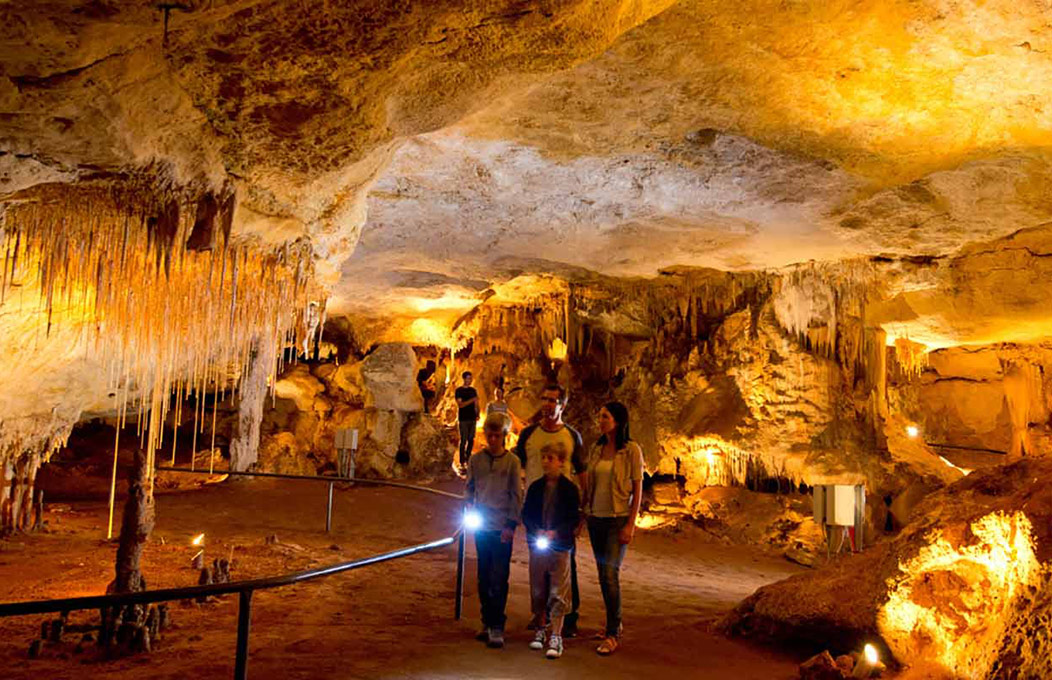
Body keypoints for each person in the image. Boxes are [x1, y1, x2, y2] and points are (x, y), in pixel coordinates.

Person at [515, 383, 585, 637]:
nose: (547, 404)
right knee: (538, 565)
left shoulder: (571, 436)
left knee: (566, 568)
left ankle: (568, 617)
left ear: (563, 405)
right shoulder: (529, 435)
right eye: (544, 398)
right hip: (536, 506)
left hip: (562, 510)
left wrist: (582, 512)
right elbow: (517, 466)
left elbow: (582, 470)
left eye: (553, 400)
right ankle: (540, 616)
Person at [582, 401, 644, 656]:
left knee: (610, 575)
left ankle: (612, 633)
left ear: (617, 421)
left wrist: (631, 522)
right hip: (596, 517)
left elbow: (637, 488)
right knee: (602, 574)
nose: (601, 420)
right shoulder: (597, 449)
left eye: (605, 416)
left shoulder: (631, 450)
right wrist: (582, 513)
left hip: (617, 518)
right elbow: (589, 484)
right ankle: (612, 623)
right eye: (600, 416)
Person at [465, 412, 521, 648]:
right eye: (490, 435)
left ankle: (497, 624)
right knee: (483, 576)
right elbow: (470, 488)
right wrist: (469, 507)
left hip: (501, 527)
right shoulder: (476, 461)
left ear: (504, 437)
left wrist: (510, 525)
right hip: (482, 525)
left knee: (499, 576)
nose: (493, 440)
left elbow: (516, 495)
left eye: (497, 436)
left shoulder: (512, 463)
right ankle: (486, 621)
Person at [522, 443, 581, 659]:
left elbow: (574, 517)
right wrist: (536, 530)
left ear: (561, 461)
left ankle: (556, 634)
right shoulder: (536, 487)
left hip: (560, 545)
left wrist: (557, 532)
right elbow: (526, 513)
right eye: (544, 457)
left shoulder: (569, 489)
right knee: (538, 588)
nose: (546, 462)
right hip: (538, 543)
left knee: (558, 590)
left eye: (550, 458)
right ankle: (540, 627)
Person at [455, 371, 480, 475]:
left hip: (472, 418)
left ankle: (468, 458)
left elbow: (476, 403)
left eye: (471, 378)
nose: (470, 380)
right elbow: (460, 405)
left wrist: (477, 412)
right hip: (463, 418)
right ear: (464, 379)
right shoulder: (459, 391)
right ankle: (461, 461)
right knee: (463, 439)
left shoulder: (473, 390)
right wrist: (472, 400)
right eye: (468, 378)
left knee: (471, 439)